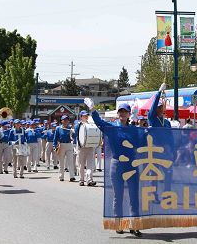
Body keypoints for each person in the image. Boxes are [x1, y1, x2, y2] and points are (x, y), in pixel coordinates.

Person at [85, 97, 143, 237]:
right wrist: (92, 109)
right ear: (118, 114)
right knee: (118, 195)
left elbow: (141, 144)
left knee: (134, 194)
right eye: (120, 112)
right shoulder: (112, 128)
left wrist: (148, 131)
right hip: (117, 165)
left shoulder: (134, 130)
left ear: (129, 114)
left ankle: (134, 225)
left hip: (131, 164)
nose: (122, 114)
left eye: (125, 112)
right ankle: (119, 223)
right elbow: (99, 122)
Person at [74, 110, 97, 187]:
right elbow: (77, 134)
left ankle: (89, 180)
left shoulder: (91, 124)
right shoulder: (78, 125)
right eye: (84, 116)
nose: (86, 117)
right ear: (81, 117)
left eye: (87, 115)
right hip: (81, 146)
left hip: (90, 146)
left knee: (90, 164)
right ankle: (81, 180)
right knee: (81, 164)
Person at [53, 115, 76, 182]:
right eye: (64, 120)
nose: (65, 121)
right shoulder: (58, 128)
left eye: (67, 120)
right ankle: (61, 176)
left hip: (69, 144)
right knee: (61, 161)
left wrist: (73, 132)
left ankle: (72, 176)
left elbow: (74, 137)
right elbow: (55, 138)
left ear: (68, 121)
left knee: (70, 161)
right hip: (61, 145)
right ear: (61, 121)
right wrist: (54, 146)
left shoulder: (70, 128)